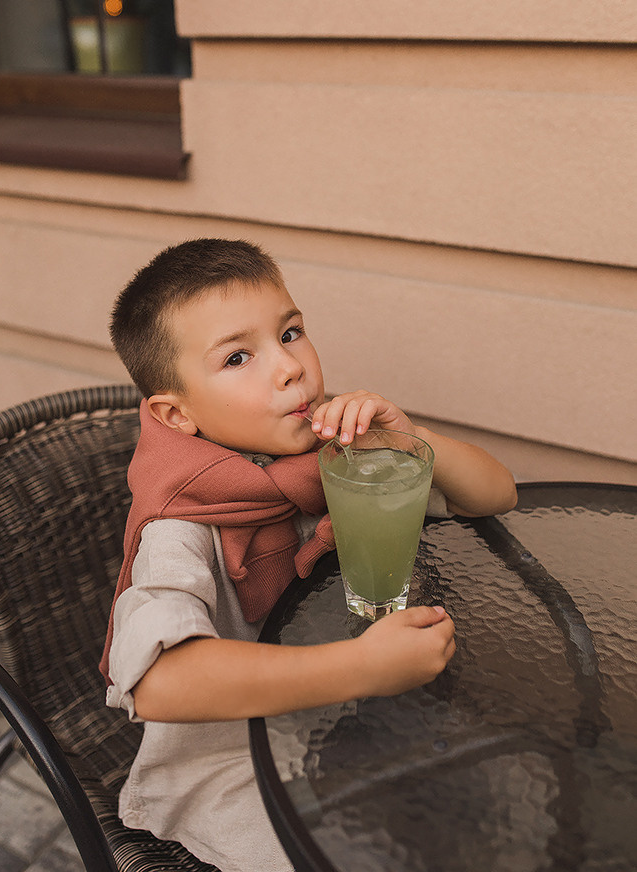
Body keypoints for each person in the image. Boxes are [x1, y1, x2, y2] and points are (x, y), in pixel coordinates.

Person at [101, 238, 517, 872]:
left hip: (347, 728)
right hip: (235, 764)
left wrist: (413, 440)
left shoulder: (336, 454)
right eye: (239, 356)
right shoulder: (179, 528)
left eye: (290, 332)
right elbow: (160, 682)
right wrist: (362, 668)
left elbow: (496, 496)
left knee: (484, 816)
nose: (289, 367)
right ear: (175, 414)